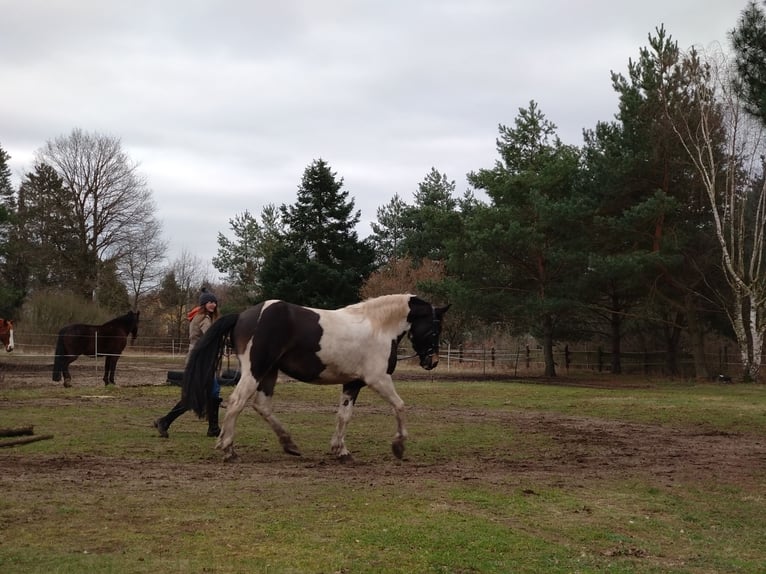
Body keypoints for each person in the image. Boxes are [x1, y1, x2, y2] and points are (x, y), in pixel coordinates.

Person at [154, 290, 222, 438]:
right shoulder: (204, 318)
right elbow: (210, 335)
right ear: (204, 304)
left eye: (214, 302)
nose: (213, 304)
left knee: (213, 390)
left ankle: (213, 428)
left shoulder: (197, 317)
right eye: (210, 302)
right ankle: (165, 421)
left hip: (198, 359)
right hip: (201, 360)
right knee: (195, 395)